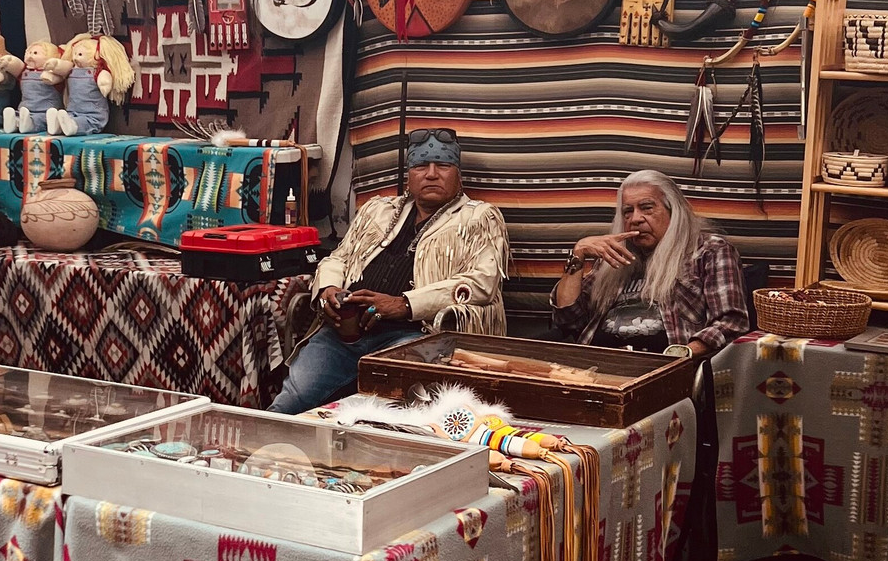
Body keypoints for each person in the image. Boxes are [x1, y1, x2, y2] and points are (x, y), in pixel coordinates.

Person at [269, 128, 509, 413]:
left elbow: (482, 283)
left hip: (415, 336)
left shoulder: (479, 217)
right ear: (409, 175)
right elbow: (338, 258)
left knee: (386, 411)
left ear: (458, 174)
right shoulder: (377, 210)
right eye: (421, 166)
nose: (431, 174)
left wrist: (404, 305)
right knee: (290, 403)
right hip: (345, 331)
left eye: (443, 165)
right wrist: (328, 289)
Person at [552, 169, 748, 357]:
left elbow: (731, 322)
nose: (635, 219)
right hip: (598, 365)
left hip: (664, 370)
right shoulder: (614, 255)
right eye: (627, 211)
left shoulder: (710, 251)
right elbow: (567, 320)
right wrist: (578, 253)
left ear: (674, 211)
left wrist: (682, 356)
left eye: (646, 207)